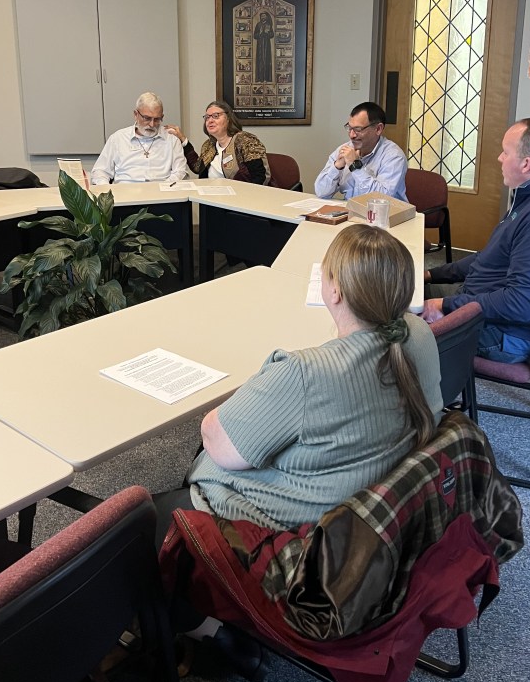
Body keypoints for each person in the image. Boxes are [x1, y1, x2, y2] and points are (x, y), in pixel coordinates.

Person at [185, 223, 443, 530]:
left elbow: (217, 443)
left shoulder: (305, 373)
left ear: (335, 291)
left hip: (287, 527)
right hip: (374, 510)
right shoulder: (419, 334)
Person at [421, 118, 530, 364]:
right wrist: (431, 275)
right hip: (485, 306)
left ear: (526, 164)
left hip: (504, 332)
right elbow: (490, 258)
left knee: (394, 330)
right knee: (409, 296)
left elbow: (521, 302)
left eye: (505, 152)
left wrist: (445, 306)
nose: (500, 158)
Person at [314, 101, 408, 202]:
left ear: (378, 129)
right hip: (351, 209)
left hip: (388, 211)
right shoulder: (345, 149)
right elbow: (321, 192)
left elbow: (380, 200)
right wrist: (337, 166)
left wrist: (355, 166)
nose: (352, 135)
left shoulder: (394, 156)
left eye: (358, 129)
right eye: (349, 128)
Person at [90, 92, 187, 185]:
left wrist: (163, 188)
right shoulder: (118, 139)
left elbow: (180, 172)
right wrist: (107, 190)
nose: (152, 124)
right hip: (126, 192)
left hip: (161, 192)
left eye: (157, 119)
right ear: (136, 114)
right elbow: (100, 171)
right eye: (147, 118)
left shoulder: (171, 140)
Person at [166, 100, 271, 185]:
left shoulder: (244, 140)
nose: (210, 120)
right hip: (212, 197)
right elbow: (197, 168)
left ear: (228, 118)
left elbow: (260, 176)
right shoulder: (209, 145)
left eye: (216, 116)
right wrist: (183, 139)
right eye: (207, 117)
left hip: (241, 198)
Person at [253, 11, 274, 83]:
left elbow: (272, 35)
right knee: (260, 61)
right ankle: (260, 79)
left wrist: (268, 33)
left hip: (267, 46)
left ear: (266, 17)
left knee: (266, 61)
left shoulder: (269, 25)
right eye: (262, 16)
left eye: (264, 16)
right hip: (260, 45)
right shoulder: (258, 25)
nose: (263, 17)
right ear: (260, 17)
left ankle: (266, 78)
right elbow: (255, 35)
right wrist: (259, 33)